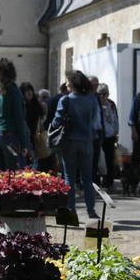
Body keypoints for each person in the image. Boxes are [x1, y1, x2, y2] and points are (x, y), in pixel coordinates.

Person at [51, 70, 101, 220]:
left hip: (70, 141)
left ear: (73, 83)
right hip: (87, 141)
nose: (66, 84)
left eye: (68, 81)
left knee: (69, 178)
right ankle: (91, 210)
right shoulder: (92, 99)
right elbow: (95, 119)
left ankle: (71, 210)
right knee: (87, 178)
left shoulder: (66, 100)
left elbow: (57, 121)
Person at [0, 58, 29, 171]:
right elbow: (19, 119)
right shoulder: (13, 90)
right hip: (8, 134)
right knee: (11, 173)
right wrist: (24, 143)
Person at [97, 84, 119, 191]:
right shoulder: (95, 104)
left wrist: (116, 132)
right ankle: (96, 183)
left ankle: (109, 183)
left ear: (108, 94)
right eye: (99, 94)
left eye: (104, 94)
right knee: (97, 160)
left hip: (109, 136)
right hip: (98, 135)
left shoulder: (111, 104)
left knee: (109, 160)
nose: (102, 96)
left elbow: (115, 119)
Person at [20, 82, 45, 165]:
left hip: (35, 137)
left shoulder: (36, 104)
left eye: (30, 90)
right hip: (25, 137)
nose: (29, 92)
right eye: (26, 90)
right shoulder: (21, 106)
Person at [88, 75, 105, 183]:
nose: (95, 87)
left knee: (95, 159)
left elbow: (100, 115)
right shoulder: (85, 97)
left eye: (97, 85)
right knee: (87, 159)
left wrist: (102, 131)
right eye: (93, 85)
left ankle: (93, 182)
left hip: (98, 131)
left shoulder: (97, 97)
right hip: (88, 132)